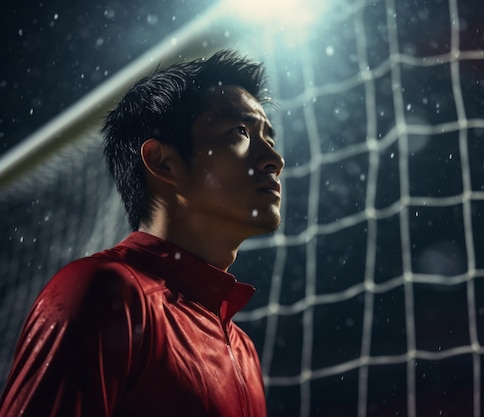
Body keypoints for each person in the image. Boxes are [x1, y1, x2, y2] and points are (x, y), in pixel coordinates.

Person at [0, 49, 284, 417]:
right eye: (241, 132)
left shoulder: (241, 348)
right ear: (163, 161)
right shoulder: (106, 291)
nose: (274, 159)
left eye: (269, 138)